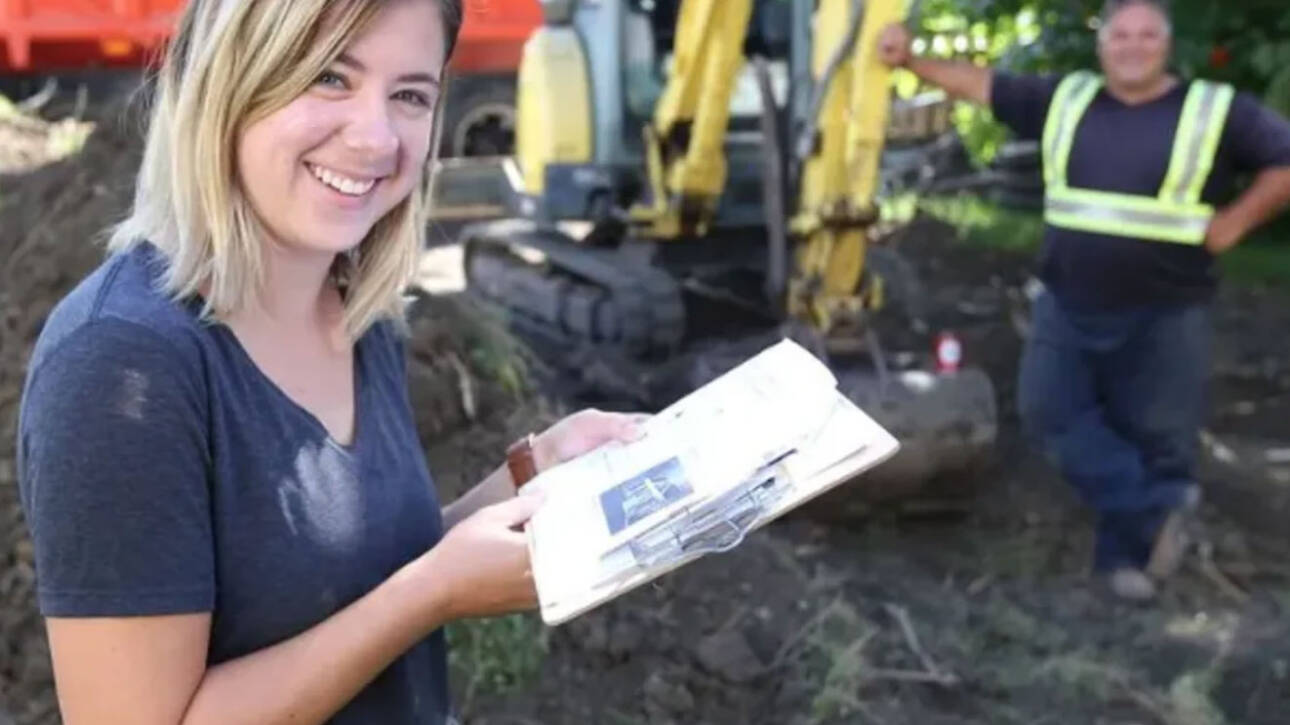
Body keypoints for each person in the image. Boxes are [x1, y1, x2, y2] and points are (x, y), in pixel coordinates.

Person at [15, 1, 647, 723]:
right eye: (328, 78)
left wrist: (528, 476)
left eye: (410, 95)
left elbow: (342, 571)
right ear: (229, 81)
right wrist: (431, 594)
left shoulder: (357, 312)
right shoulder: (122, 366)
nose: (376, 138)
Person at [878, 0, 1290, 601]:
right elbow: (983, 84)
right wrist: (911, 56)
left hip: (1168, 309)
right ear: (1102, 44)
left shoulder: (1213, 110)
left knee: (1157, 434)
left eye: (1147, 35)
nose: (1133, 46)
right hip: (1070, 302)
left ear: (1166, 45)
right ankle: (1158, 516)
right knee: (1048, 411)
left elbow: (1283, 161)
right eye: (1120, 35)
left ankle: (1128, 567)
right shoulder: (1066, 99)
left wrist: (1233, 223)